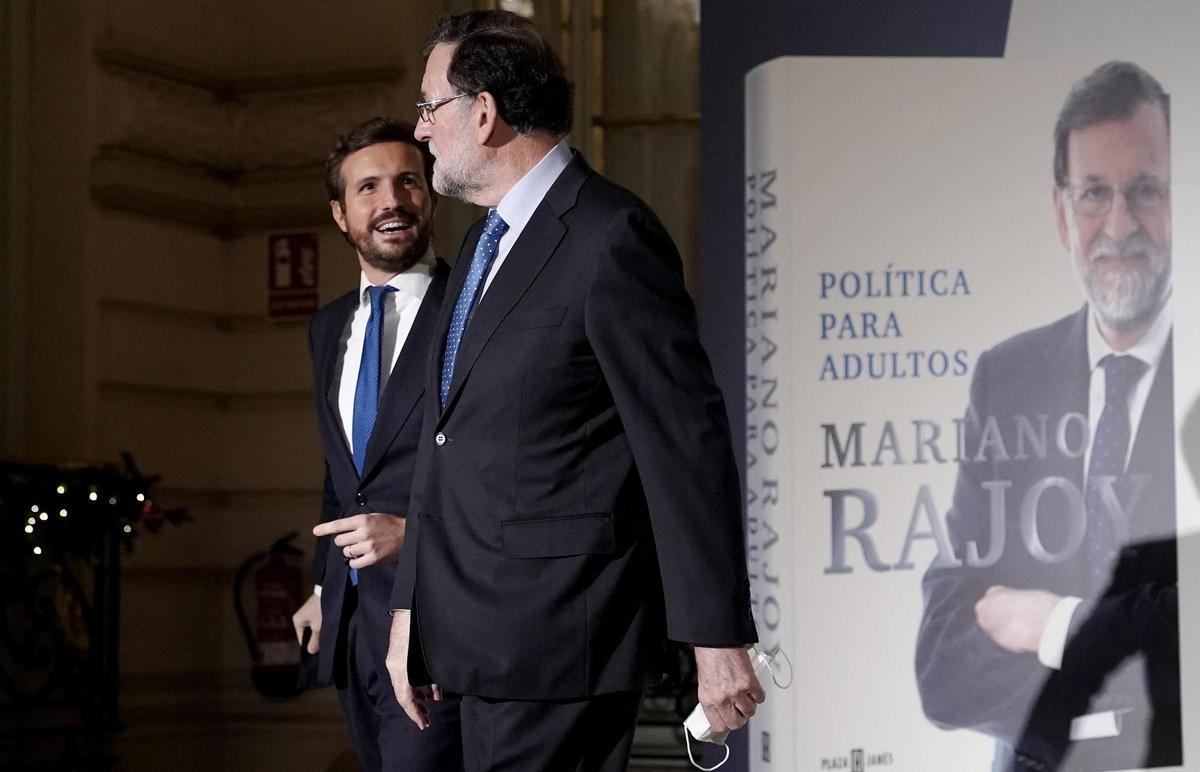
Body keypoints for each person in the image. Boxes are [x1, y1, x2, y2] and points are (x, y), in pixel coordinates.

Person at [381, 11, 763, 771]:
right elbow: (446, 438)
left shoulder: (610, 235)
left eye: (429, 108)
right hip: (464, 643)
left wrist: (717, 638)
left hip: (560, 641)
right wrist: (409, 613)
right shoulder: (479, 243)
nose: (420, 131)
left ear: (482, 113)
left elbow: (683, 442)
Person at [915, 61, 1178, 771]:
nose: (1119, 224)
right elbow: (941, 664)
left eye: (1146, 190)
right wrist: (1143, 658)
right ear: (1062, 214)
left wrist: (1049, 623)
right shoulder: (1009, 378)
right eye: (1094, 193)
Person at [290, 117, 463, 771]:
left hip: (436, 622)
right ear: (340, 213)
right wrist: (321, 582)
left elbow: (489, 469)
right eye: (368, 188)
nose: (390, 201)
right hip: (349, 625)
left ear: (431, 195)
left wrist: (413, 534)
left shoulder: (469, 313)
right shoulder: (328, 325)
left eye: (406, 183)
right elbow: (344, 473)